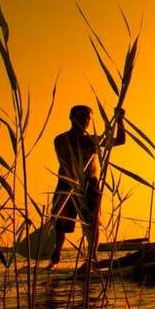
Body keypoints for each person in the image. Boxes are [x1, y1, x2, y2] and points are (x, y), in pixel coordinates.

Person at [46, 104, 126, 270]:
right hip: (67, 182)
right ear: (71, 118)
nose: (85, 120)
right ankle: (56, 256)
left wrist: (120, 121)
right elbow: (73, 149)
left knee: (93, 222)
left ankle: (92, 257)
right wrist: (94, 144)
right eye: (81, 117)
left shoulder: (92, 139)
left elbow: (120, 141)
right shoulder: (61, 139)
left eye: (88, 118)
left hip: (90, 184)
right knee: (61, 222)